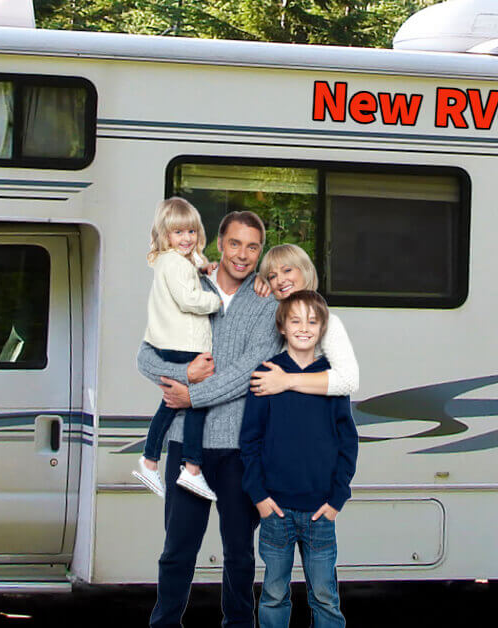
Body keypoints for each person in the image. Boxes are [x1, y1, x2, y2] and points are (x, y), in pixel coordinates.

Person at [137, 210, 281, 628]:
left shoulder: (267, 302)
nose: (242, 254)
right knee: (177, 550)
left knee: (239, 553)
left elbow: (250, 371)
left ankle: (239, 624)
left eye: (252, 246)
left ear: (260, 252)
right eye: (235, 243)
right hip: (187, 445)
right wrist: (185, 373)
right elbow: (145, 355)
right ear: (219, 243)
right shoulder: (186, 284)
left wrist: (191, 395)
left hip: (240, 449)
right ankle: (165, 623)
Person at [239, 290, 359, 628]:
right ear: (282, 327)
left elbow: (348, 443)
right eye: (295, 321)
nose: (304, 328)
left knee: (325, 596)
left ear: (322, 329)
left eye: (312, 321)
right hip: (275, 510)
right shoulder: (266, 374)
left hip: (321, 511)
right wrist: (259, 497)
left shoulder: (331, 379)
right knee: (274, 594)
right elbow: (249, 441)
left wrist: (337, 499)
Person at [132, 197, 222, 501]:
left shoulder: (168, 261)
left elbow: (189, 271)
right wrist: (216, 300)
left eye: (191, 232)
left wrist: (203, 267)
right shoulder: (176, 264)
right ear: (165, 234)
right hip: (185, 346)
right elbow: (189, 300)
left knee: (171, 404)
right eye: (178, 232)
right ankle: (191, 468)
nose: (186, 238)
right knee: (196, 402)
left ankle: (150, 461)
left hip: (170, 344)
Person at [249, 243, 359, 398]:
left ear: (305, 270)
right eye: (272, 276)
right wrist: (253, 283)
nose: (280, 280)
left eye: (287, 270)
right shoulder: (269, 318)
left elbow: (348, 381)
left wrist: (287, 380)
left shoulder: (329, 322)